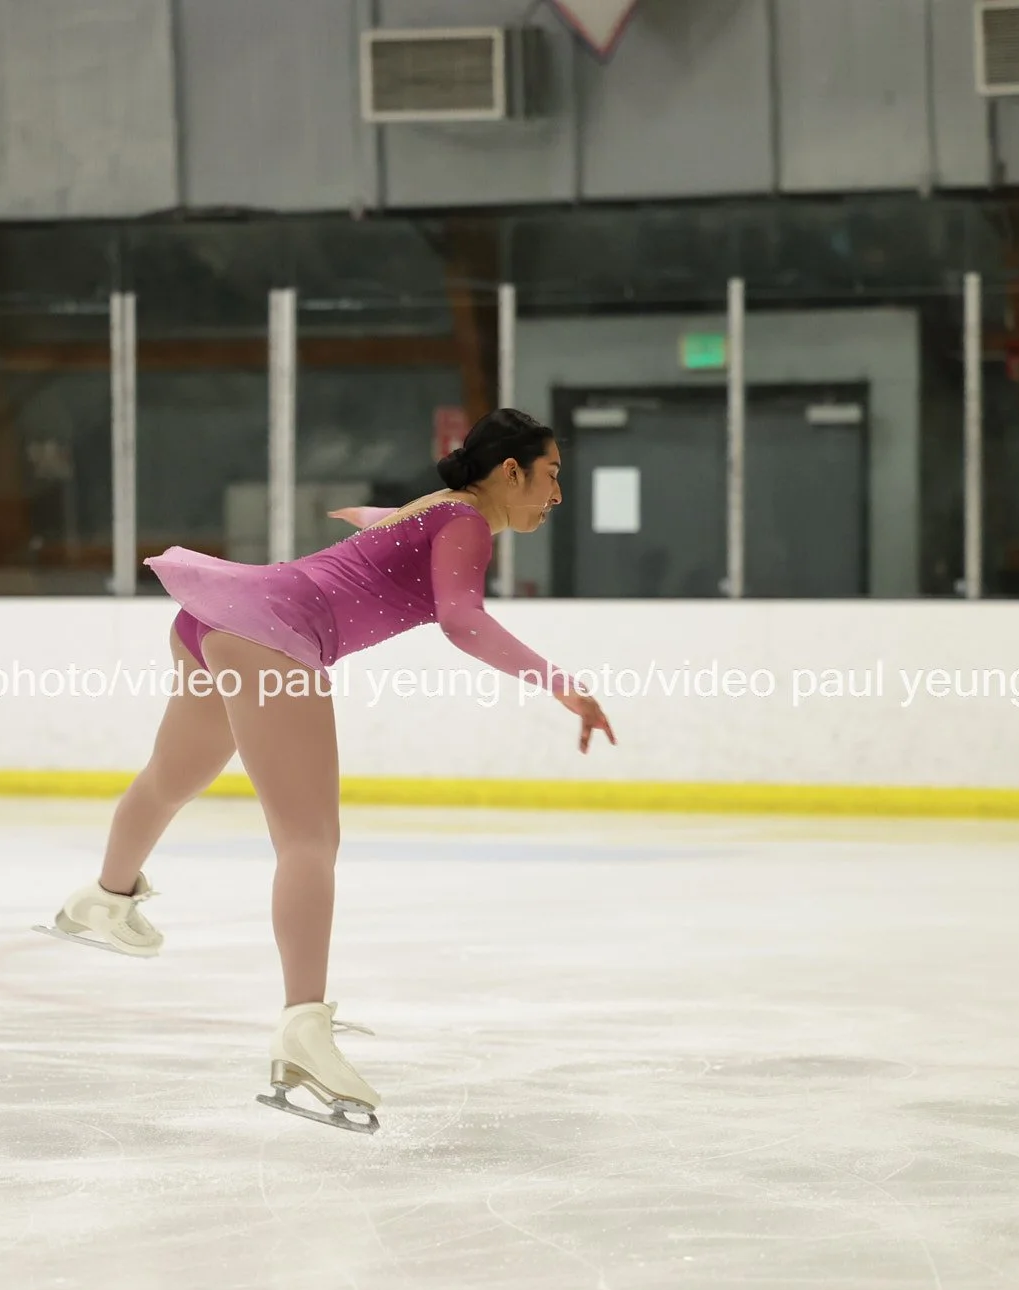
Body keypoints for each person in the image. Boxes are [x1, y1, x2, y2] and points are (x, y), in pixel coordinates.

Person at [35, 408, 615, 1133]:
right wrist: (560, 683)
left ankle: (105, 896)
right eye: (551, 474)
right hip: (270, 633)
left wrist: (369, 519)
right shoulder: (465, 524)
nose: (557, 493)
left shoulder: (442, 510)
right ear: (510, 472)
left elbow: (394, 532)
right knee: (309, 841)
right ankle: (302, 1031)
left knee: (172, 777)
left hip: (214, 617)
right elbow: (462, 619)